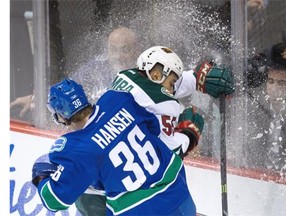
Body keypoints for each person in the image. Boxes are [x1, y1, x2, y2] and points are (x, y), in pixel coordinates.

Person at [76, 45, 234, 216]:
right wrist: (189, 134)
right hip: (107, 194)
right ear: (157, 75)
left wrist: (196, 79)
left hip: (86, 182)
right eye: (172, 81)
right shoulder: (163, 105)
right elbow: (168, 154)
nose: (173, 88)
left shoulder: (125, 77)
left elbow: (163, 86)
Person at [31, 78, 197, 215]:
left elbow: (55, 200)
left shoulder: (75, 148)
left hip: (140, 210)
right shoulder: (117, 99)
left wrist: (41, 178)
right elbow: (153, 127)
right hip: (178, 192)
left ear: (61, 117)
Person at [10, 26, 140, 120]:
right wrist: (38, 98)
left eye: (125, 49)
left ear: (136, 49)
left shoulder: (144, 75)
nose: (118, 56)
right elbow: (68, 88)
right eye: (113, 49)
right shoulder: (98, 67)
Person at [246, 43, 286, 176]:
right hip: (258, 180)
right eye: (271, 82)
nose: (274, 88)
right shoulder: (255, 112)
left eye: (281, 83)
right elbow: (247, 152)